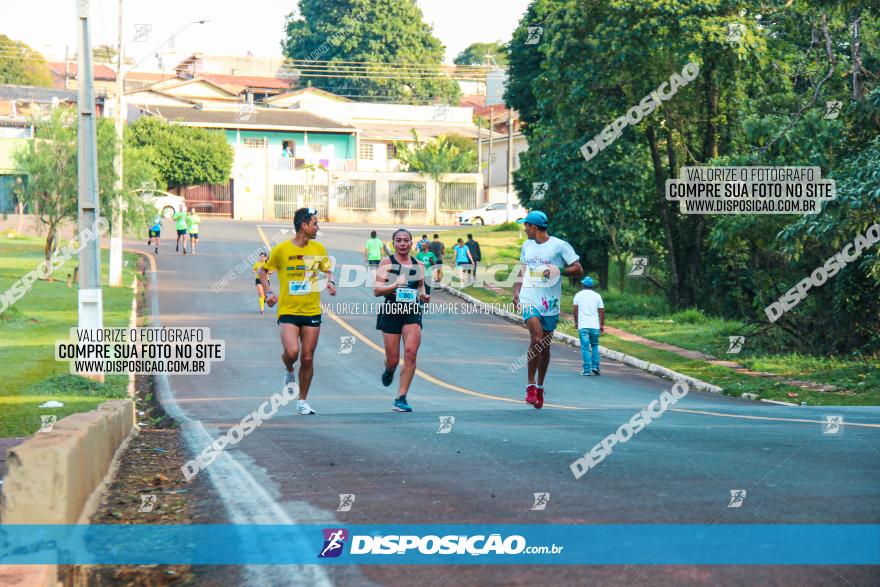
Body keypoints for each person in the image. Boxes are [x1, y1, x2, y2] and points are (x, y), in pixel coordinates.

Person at [261, 207, 337, 415]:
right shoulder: (282, 250)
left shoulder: (318, 249)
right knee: (292, 353)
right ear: (304, 226)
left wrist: (330, 282)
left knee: (307, 358)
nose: (318, 227)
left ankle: (302, 400)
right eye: (315, 223)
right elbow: (262, 269)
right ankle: (288, 369)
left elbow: (328, 269)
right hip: (288, 310)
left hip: (311, 310)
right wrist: (268, 292)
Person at [513, 210, 583, 409]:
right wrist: (516, 289)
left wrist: (558, 270)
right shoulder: (527, 245)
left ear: (533, 227)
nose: (524, 229)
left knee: (544, 346)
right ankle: (530, 386)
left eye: (526, 226)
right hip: (529, 297)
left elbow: (578, 268)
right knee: (536, 338)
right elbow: (522, 268)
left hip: (550, 301)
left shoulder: (559, 246)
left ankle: (541, 386)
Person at [374, 228, 430, 413]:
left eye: (406, 240)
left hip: (411, 311)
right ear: (394, 243)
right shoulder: (386, 262)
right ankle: (389, 370)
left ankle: (401, 397)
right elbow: (377, 290)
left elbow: (420, 288)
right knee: (392, 359)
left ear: (411, 243)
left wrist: (423, 296)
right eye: (399, 240)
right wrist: (394, 285)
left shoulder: (419, 265)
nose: (403, 244)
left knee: (411, 352)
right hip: (391, 310)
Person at [573, 276, 605, 376]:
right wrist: (602, 325)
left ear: (583, 285)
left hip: (583, 325)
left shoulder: (578, 295)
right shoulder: (597, 296)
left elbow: (575, 310)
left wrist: (576, 322)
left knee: (585, 347)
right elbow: (602, 311)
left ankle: (587, 370)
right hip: (595, 325)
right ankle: (595, 367)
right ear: (592, 286)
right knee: (595, 345)